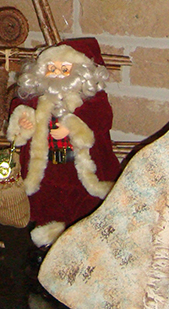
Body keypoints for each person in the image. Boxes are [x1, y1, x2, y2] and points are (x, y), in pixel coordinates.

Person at [7, 39, 120, 248]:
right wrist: (24, 121)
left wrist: (71, 126)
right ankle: (50, 233)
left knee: (82, 199)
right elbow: (22, 112)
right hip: (48, 165)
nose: (58, 74)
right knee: (48, 198)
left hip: (77, 166)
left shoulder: (91, 101)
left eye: (64, 69)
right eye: (52, 69)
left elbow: (101, 118)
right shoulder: (39, 100)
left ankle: (80, 235)